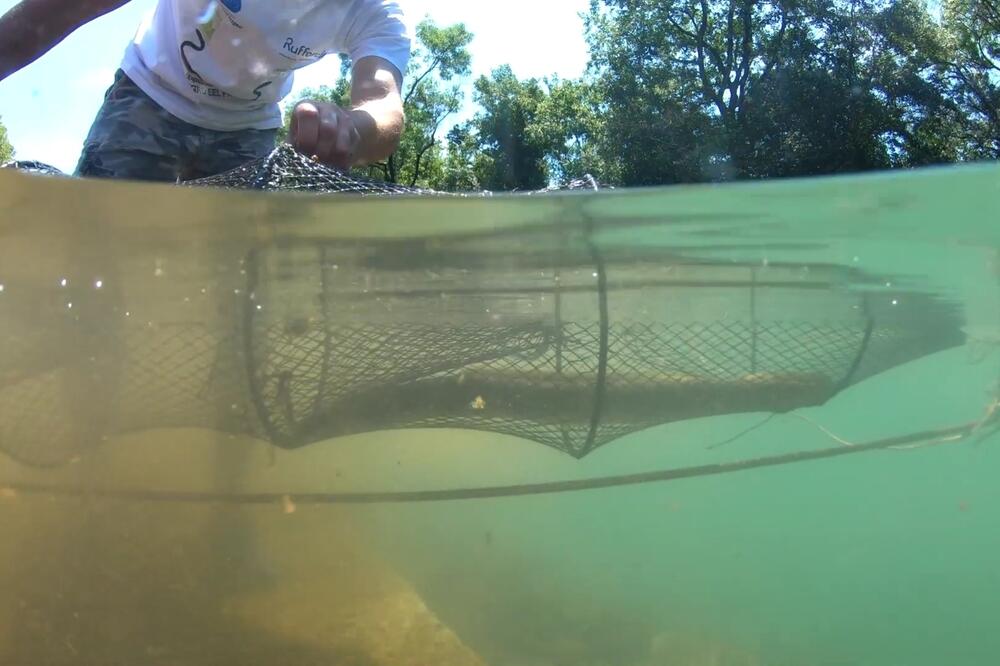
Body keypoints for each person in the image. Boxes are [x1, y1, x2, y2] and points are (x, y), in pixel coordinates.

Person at [0, 0, 411, 181]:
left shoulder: (375, 10)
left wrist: (353, 129)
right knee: (93, 246)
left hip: (247, 130)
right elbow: (63, 7)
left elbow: (382, 104)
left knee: (232, 287)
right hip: (150, 93)